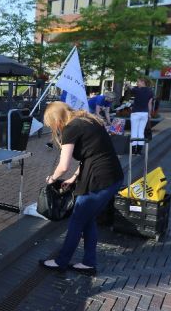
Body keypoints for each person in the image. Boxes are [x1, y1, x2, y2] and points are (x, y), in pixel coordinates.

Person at [38, 101, 124, 275]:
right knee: (88, 220)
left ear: (57, 119)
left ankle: (61, 262)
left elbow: (63, 165)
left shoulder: (71, 128)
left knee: (76, 221)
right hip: (112, 177)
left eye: (51, 123)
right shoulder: (87, 120)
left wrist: (51, 179)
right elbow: (91, 154)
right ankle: (89, 263)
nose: (53, 127)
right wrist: (73, 178)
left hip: (99, 180)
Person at [129, 77, 153, 155]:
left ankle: (133, 151)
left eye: (138, 82)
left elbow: (131, 88)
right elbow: (150, 104)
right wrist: (149, 114)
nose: (137, 83)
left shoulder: (137, 90)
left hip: (135, 113)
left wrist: (128, 84)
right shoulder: (150, 91)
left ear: (143, 82)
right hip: (144, 114)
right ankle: (139, 151)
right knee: (141, 132)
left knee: (134, 131)